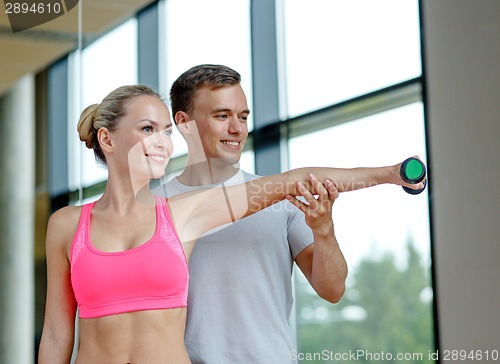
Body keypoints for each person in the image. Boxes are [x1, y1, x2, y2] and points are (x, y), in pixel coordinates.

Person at [38, 83, 424, 363]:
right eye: (147, 129)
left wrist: (390, 174)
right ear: (107, 138)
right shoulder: (67, 225)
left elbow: (293, 180)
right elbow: (57, 332)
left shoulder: (183, 213)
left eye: (166, 132)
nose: (162, 142)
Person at [158, 64, 424, 363]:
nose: (237, 128)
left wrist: (324, 229)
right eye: (222, 116)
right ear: (184, 122)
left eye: (243, 117)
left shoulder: (282, 201)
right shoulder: (154, 208)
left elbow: (333, 289)